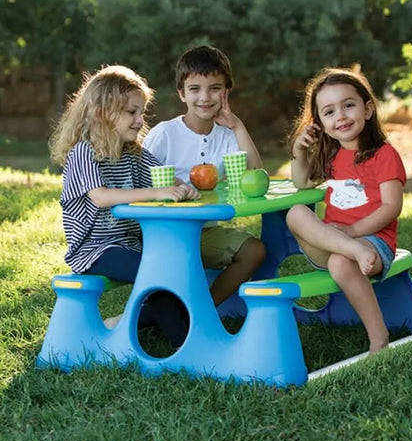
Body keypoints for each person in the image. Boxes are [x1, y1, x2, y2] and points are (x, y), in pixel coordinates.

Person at [49, 64, 199, 346]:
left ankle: (140, 321)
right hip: (94, 249)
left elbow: (163, 177)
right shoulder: (84, 152)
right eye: (132, 112)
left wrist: (184, 186)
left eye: (141, 112)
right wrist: (157, 194)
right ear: (103, 112)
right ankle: (186, 344)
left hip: (130, 242)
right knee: (158, 271)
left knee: (176, 266)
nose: (140, 120)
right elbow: (101, 197)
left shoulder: (132, 153)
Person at [285, 66, 406, 355]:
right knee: (295, 213)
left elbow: (392, 206)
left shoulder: (384, 154)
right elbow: (301, 182)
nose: (340, 116)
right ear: (320, 124)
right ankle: (349, 251)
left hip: (372, 244)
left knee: (342, 262)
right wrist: (299, 150)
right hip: (331, 243)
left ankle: (378, 338)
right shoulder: (332, 155)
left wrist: (353, 235)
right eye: (329, 112)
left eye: (348, 105)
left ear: (367, 109)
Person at [144, 45, 266, 306]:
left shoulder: (228, 136)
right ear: (181, 93)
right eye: (195, 89)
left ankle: (204, 308)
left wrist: (236, 125)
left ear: (226, 92)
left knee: (254, 250)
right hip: (167, 234)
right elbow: (140, 178)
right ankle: (171, 310)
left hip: (206, 233)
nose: (205, 97)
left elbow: (256, 177)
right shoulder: (164, 134)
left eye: (215, 88)